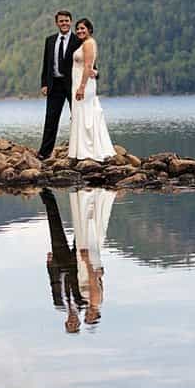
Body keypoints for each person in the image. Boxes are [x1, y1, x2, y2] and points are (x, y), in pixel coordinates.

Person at [65, 17, 115, 162]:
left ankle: (88, 150)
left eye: (83, 28)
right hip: (80, 82)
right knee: (81, 113)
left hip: (84, 84)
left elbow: (88, 67)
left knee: (86, 115)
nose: (80, 31)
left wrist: (81, 87)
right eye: (78, 28)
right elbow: (91, 67)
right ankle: (81, 150)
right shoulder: (84, 43)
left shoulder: (88, 44)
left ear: (89, 30)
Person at [40, 191, 84, 333]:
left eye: (70, 325)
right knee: (81, 228)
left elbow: (53, 283)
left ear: (65, 322)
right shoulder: (83, 302)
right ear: (78, 322)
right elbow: (90, 282)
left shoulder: (58, 303)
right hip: (76, 265)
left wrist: (49, 265)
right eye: (75, 324)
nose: (72, 322)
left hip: (59, 264)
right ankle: (81, 195)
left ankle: (45, 193)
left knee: (54, 226)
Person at [37, 10, 80, 154]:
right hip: (54, 84)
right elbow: (46, 64)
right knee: (51, 119)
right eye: (61, 21)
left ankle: (81, 150)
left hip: (73, 85)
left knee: (78, 116)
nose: (64, 23)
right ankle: (44, 152)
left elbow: (87, 62)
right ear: (57, 23)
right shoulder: (50, 40)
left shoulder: (78, 40)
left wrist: (94, 73)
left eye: (67, 20)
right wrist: (44, 83)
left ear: (71, 22)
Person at [72, 187, 114, 327]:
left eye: (86, 317)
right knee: (87, 234)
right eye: (90, 316)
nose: (87, 314)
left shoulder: (93, 301)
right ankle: (87, 198)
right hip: (89, 265)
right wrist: (87, 261)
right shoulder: (95, 301)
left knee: (89, 234)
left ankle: (88, 198)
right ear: (96, 314)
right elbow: (93, 280)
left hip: (89, 266)